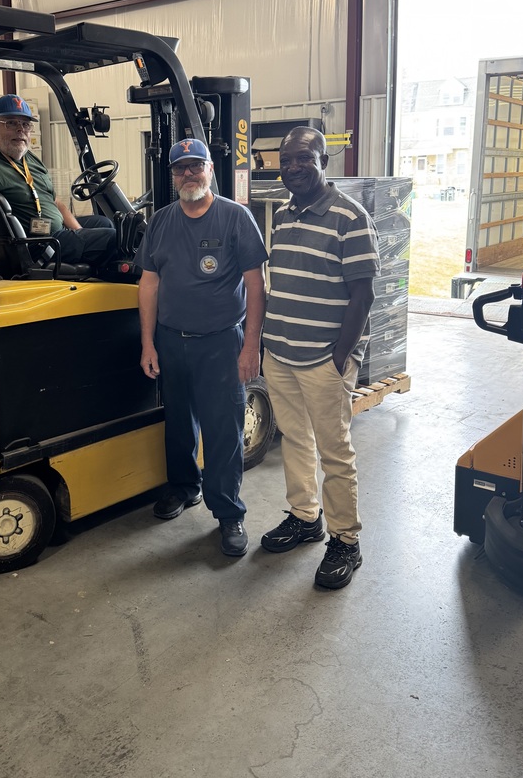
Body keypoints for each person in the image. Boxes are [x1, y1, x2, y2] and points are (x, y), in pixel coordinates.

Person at [134, 137, 268, 557]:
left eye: (196, 166)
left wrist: (250, 346)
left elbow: (255, 284)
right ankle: (184, 487)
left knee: (223, 430)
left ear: (210, 169)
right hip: (172, 341)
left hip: (220, 342)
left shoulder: (235, 217)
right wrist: (147, 344)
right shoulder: (160, 222)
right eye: (180, 169)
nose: (189, 174)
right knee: (178, 422)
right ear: (172, 176)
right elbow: (149, 283)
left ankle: (229, 514)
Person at [261, 126, 380, 590]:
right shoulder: (284, 215)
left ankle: (346, 541)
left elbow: (363, 293)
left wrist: (339, 356)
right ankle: (305, 516)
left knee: (335, 451)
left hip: (322, 361)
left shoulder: (350, 216)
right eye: (285, 161)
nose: (292, 168)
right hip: (282, 353)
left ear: (324, 162)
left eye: (303, 160)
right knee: (294, 439)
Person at [0, 94, 117, 271]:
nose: (20, 129)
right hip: (37, 246)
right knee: (115, 239)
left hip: (53, 233)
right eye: (11, 123)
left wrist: (78, 232)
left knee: (106, 223)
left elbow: (55, 202)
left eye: (25, 124)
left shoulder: (29, 159)